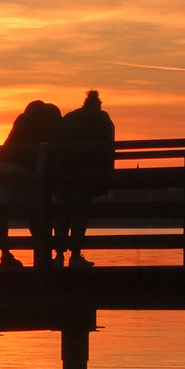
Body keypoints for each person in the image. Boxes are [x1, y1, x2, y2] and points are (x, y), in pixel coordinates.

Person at [0, 100, 61, 267]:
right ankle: (41, 255)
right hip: (23, 169)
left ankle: (4, 254)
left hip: (2, 165)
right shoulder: (45, 123)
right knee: (34, 212)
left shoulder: (22, 120)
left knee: (2, 212)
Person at [53, 90, 116, 268]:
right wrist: (106, 178)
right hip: (87, 172)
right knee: (80, 213)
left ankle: (58, 256)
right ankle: (75, 254)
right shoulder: (102, 118)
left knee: (63, 213)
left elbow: (57, 142)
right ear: (98, 104)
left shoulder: (70, 117)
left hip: (64, 172)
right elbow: (109, 146)